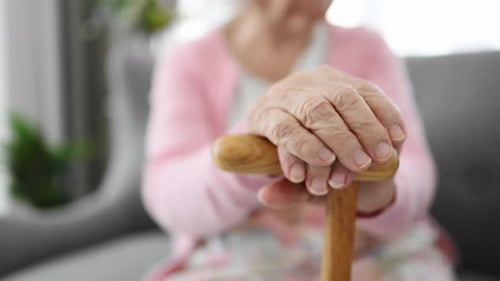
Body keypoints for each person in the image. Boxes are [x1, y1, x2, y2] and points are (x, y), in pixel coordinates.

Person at [142, 0, 456, 280]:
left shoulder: (368, 47)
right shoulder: (188, 59)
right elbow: (168, 193)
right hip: (242, 253)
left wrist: (380, 192)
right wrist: (252, 151)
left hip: (372, 247)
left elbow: (414, 170)